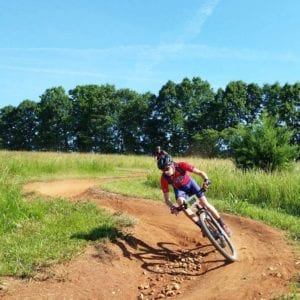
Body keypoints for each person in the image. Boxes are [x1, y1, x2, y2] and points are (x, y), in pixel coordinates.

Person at [157, 154, 231, 236]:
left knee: (204, 203)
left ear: (171, 164)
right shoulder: (164, 178)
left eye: (167, 168)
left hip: (191, 185)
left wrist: (206, 181)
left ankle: (223, 224)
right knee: (182, 205)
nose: (165, 172)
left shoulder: (181, 165)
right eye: (162, 170)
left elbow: (200, 173)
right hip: (180, 191)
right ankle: (203, 227)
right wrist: (172, 207)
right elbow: (167, 199)